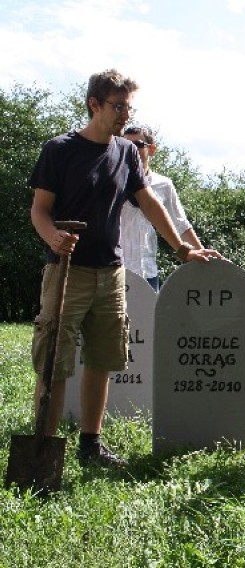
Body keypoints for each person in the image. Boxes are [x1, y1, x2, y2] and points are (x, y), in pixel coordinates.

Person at [29, 69, 222, 467]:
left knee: (104, 358)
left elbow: (151, 204)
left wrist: (184, 249)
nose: (123, 115)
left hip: (110, 272)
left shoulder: (127, 152)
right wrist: (52, 238)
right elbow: (39, 210)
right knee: (55, 360)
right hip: (67, 273)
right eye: (118, 107)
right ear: (94, 104)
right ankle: (44, 447)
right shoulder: (59, 149)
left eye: (128, 108)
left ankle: (90, 444)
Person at [120, 125, 203, 291]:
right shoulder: (112, 181)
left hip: (147, 272)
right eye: (125, 145)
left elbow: (180, 225)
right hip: (115, 270)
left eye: (137, 145)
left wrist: (202, 255)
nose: (130, 150)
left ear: (151, 149)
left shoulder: (163, 185)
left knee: (149, 317)